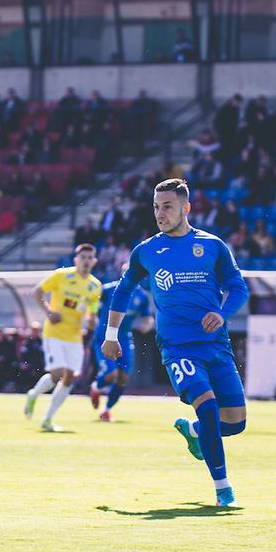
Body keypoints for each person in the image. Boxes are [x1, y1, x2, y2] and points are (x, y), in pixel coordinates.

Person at [102, 178, 249, 507]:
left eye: (167, 206)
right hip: (177, 347)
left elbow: (238, 287)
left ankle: (195, 432)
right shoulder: (147, 251)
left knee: (236, 423)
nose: (160, 213)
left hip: (217, 346)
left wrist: (223, 313)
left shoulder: (212, 246)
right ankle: (223, 489)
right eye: (156, 207)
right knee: (209, 406)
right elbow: (123, 290)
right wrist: (111, 335)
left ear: (186, 208)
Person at [23, 243, 102, 432]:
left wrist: (92, 321)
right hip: (54, 332)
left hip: (74, 337)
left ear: (94, 261)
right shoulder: (62, 275)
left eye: (89, 258)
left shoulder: (95, 286)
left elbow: (92, 311)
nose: (86, 261)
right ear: (76, 260)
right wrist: (48, 312)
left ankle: (47, 420)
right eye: (82, 257)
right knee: (57, 373)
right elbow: (37, 292)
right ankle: (33, 394)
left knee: (69, 379)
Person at [90, 263, 154, 422]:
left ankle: (107, 410)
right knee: (111, 374)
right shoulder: (108, 289)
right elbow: (91, 302)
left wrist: (147, 324)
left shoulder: (142, 296)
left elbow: (147, 317)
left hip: (124, 338)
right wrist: (90, 317)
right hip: (103, 337)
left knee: (123, 378)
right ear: (121, 272)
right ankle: (95, 388)